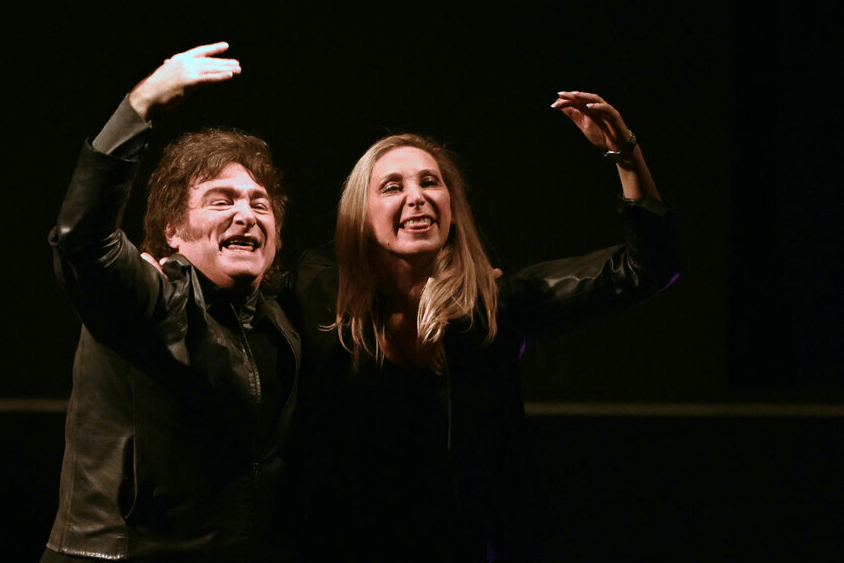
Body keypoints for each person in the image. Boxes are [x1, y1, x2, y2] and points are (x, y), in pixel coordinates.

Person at [282, 92, 681, 562]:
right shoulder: (315, 295)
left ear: (451, 207)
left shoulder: (495, 305)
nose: (417, 196)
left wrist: (626, 156)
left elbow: (645, 269)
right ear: (359, 216)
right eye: (392, 186)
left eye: (430, 182)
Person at [42, 43, 300, 563]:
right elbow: (81, 241)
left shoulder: (278, 319)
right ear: (173, 232)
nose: (247, 214)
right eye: (221, 201)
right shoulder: (149, 298)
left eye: (260, 204)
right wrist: (139, 107)